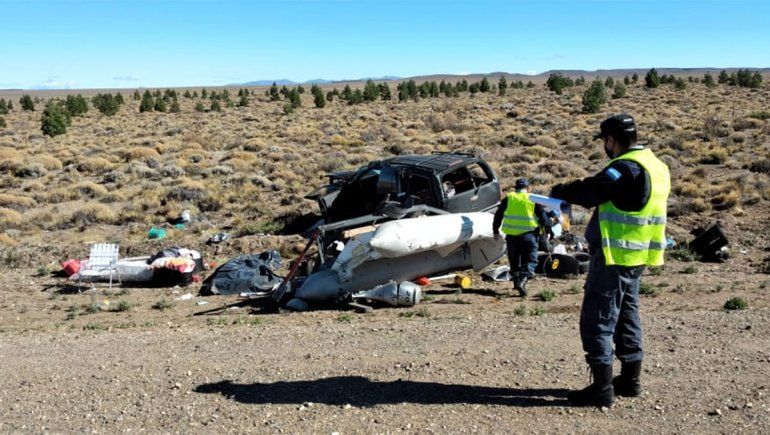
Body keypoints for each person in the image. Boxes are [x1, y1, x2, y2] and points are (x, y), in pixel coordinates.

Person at [550, 114, 670, 407]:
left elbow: (592, 190)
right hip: (638, 254)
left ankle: (602, 388)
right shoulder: (656, 164)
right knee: (627, 315)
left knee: (598, 319)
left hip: (614, 255)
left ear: (611, 140)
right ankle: (630, 380)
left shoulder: (626, 168)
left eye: (605, 141)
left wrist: (562, 192)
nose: (605, 146)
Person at [492, 178, 552, 296]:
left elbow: (498, 215)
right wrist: (548, 231)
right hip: (529, 236)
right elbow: (544, 218)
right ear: (527, 188)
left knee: (514, 260)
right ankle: (523, 281)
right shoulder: (533, 199)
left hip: (511, 237)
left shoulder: (509, 198)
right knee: (530, 260)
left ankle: (516, 282)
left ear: (516, 188)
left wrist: (495, 230)